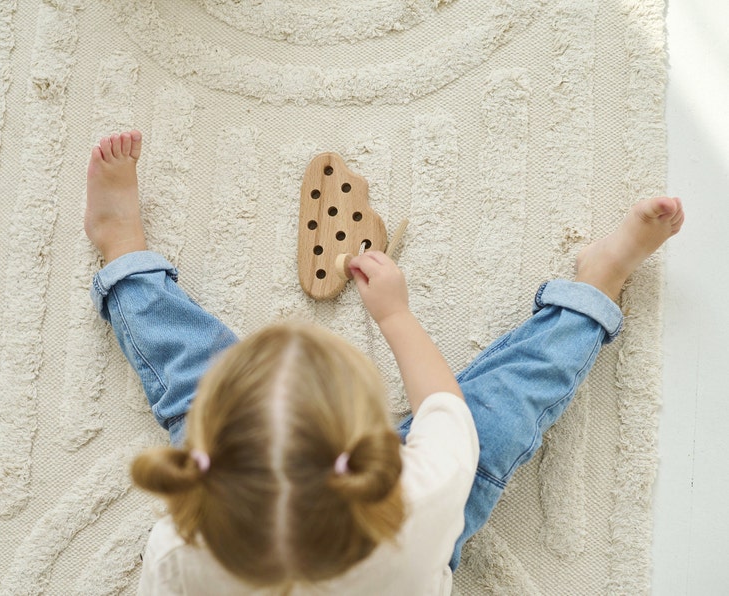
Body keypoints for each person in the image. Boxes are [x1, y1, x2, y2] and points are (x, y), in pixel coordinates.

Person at [85, 130, 684, 595]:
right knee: (506, 405)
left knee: (187, 361)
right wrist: (396, 316)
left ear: (205, 459)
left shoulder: (184, 549)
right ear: (371, 444)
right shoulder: (418, 494)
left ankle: (121, 247)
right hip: (403, 537)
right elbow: (441, 405)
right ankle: (594, 289)